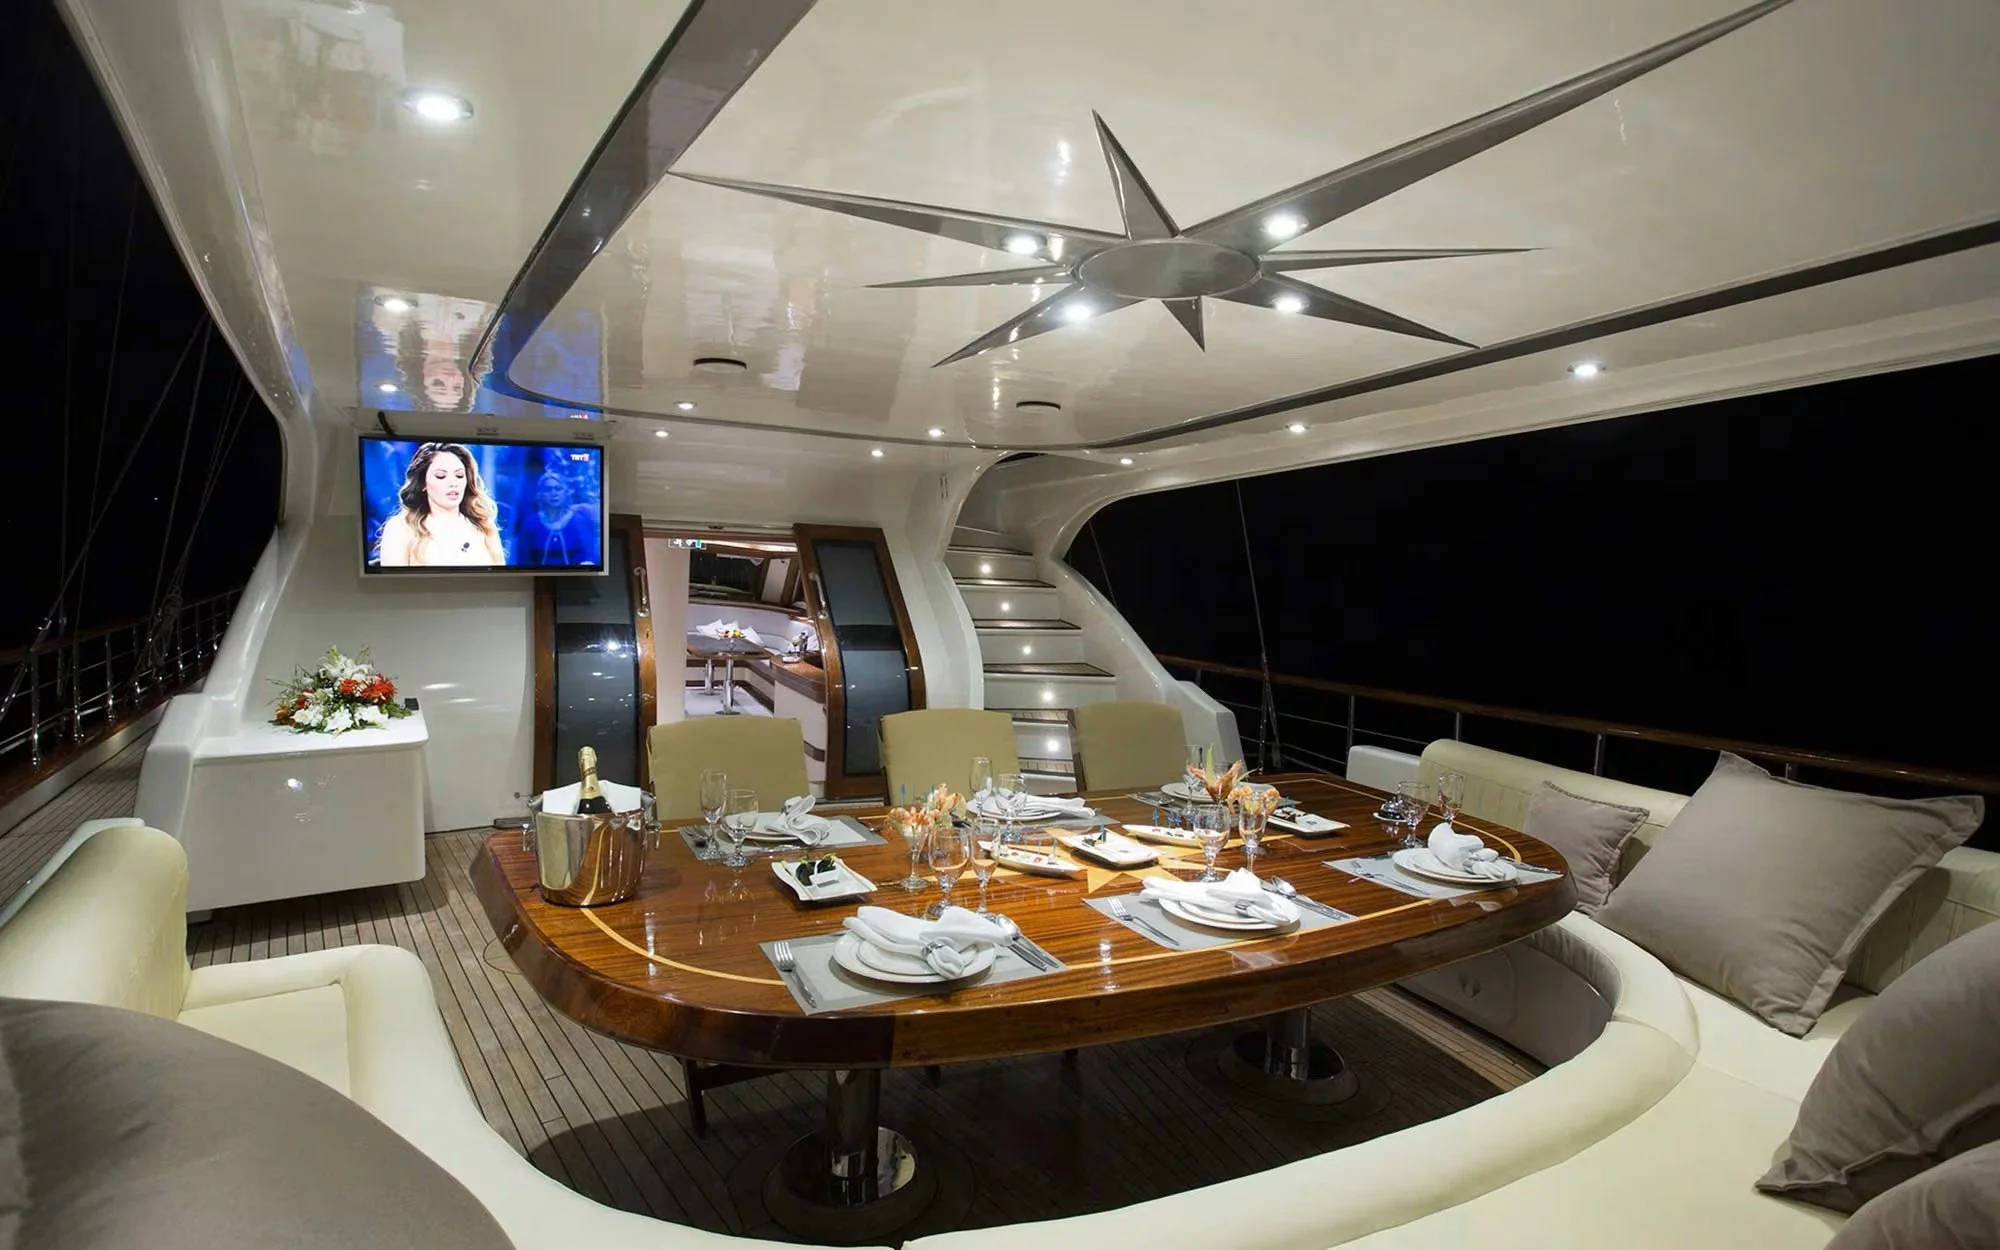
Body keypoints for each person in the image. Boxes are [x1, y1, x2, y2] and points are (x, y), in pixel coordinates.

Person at [375, 443, 506, 566]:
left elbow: (501, 582)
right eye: (441, 476)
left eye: (459, 476)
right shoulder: (401, 528)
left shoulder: (484, 527)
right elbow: (392, 586)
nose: (453, 483)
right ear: (423, 483)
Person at [513, 469, 600, 568]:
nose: (554, 493)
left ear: (565, 492)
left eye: (558, 488)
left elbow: (591, 556)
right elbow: (522, 560)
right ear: (540, 494)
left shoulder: (579, 521)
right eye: (548, 489)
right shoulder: (531, 523)